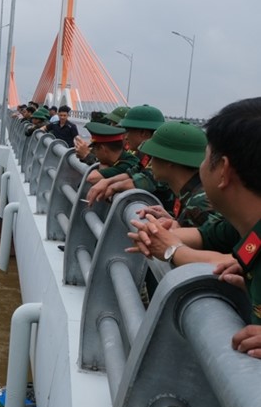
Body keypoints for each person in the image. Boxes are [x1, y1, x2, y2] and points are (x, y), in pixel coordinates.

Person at [126, 98, 261, 355]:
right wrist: (162, 235)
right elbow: (220, 252)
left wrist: (171, 250)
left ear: (223, 170)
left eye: (205, 159)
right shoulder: (250, 232)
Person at [86, 104, 174, 211]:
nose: (125, 137)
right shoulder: (146, 155)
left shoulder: (161, 159)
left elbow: (143, 180)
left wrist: (113, 187)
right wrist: (107, 182)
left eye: (128, 131)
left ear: (143, 133)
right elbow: (132, 173)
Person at [137, 121, 217, 228]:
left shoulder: (198, 204)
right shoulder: (195, 194)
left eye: (155, 156)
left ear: (169, 161)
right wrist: (173, 221)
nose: (150, 162)